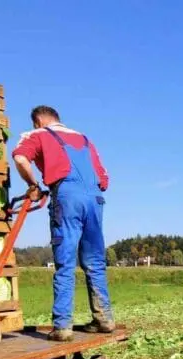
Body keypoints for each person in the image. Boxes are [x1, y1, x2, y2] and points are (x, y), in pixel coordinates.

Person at [12, 106, 115, 341]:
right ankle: (105, 320)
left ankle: (62, 327)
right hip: (95, 199)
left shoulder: (38, 135)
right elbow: (104, 177)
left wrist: (33, 185)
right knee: (95, 263)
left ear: (38, 122)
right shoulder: (85, 139)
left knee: (65, 263)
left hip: (67, 197)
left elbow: (20, 158)